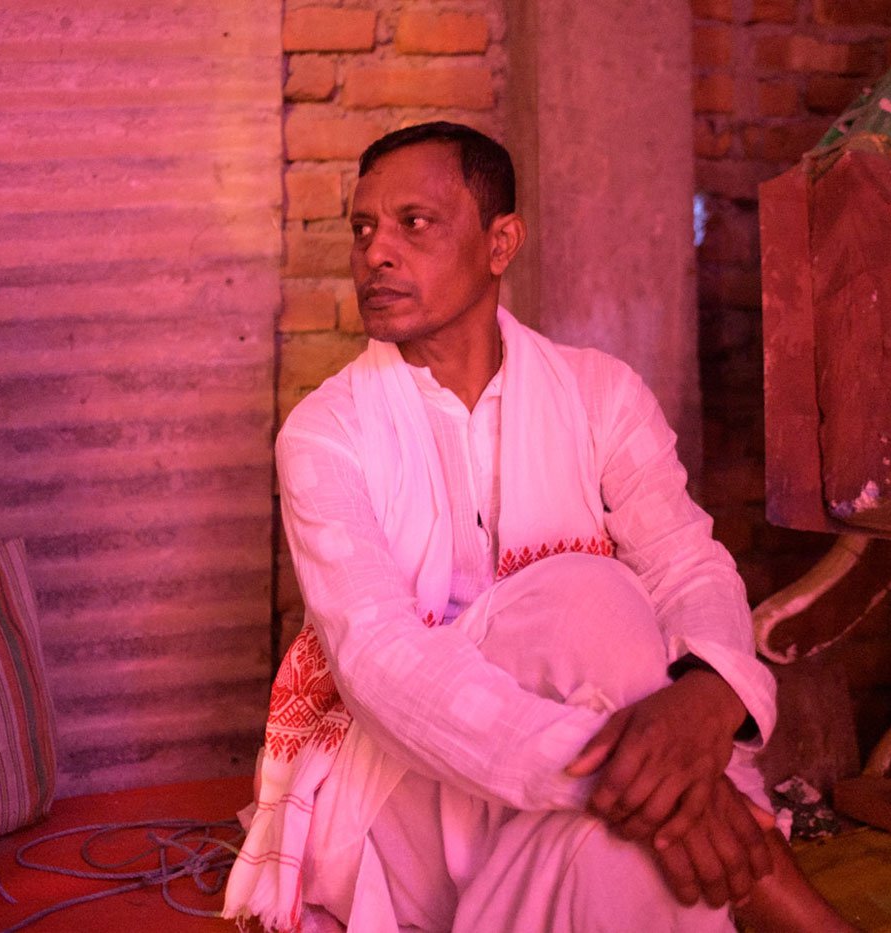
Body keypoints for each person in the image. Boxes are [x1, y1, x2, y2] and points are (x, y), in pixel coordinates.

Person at [224, 121, 852, 932]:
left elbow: (689, 569)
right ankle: (792, 906)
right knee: (593, 599)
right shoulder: (325, 433)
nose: (375, 252)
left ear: (501, 242)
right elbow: (382, 666)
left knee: (614, 853)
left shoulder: (602, 396)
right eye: (363, 228)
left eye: (414, 223)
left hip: (592, 803)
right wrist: (636, 773)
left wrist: (707, 697)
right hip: (400, 797)